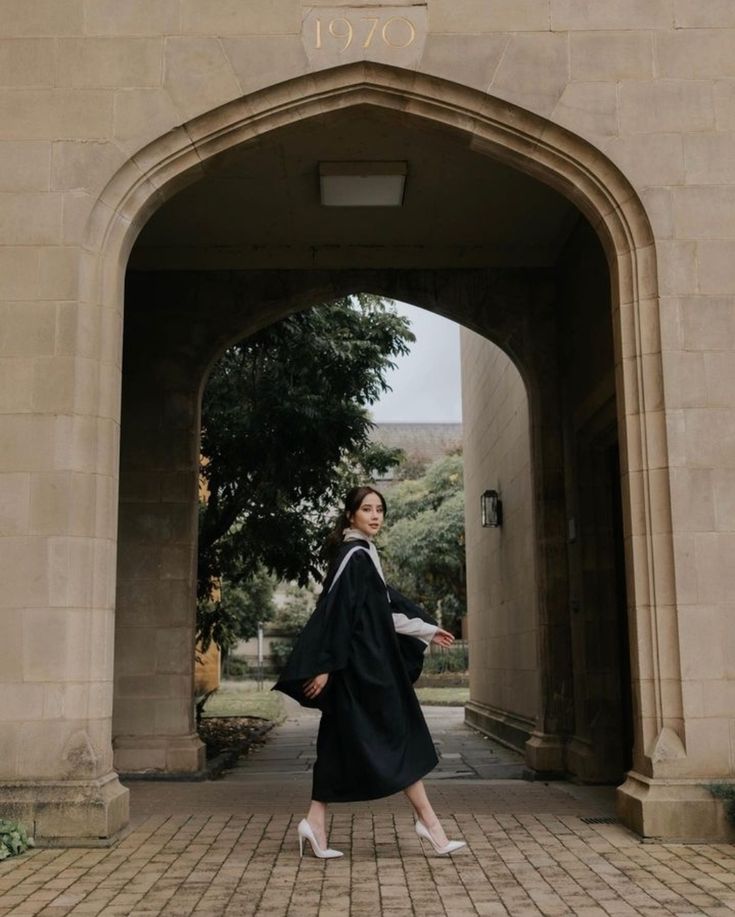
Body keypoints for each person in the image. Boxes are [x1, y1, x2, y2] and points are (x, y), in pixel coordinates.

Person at [273, 485, 467, 859]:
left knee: (338, 742)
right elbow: (337, 613)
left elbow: (379, 612)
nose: (375, 515)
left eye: (380, 509)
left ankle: (315, 824)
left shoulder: (363, 554)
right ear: (351, 515)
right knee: (398, 732)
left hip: (359, 666)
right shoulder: (355, 556)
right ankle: (430, 825)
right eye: (367, 509)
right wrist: (326, 666)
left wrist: (426, 630)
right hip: (359, 670)